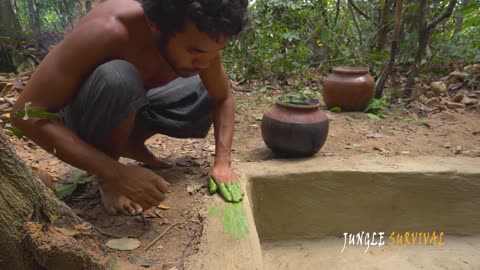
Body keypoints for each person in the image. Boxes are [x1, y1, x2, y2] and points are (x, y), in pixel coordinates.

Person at [12, 0, 248, 215]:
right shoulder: (108, 30)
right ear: (154, 26)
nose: (206, 62)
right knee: (118, 78)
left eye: (216, 52)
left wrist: (222, 163)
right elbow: (24, 114)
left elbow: (223, 98)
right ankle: (107, 174)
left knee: (206, 88)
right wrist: (115, 173)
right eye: (195, 52)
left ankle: (130, 142)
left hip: (133, 103)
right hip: (83, 115)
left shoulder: (202, 35)